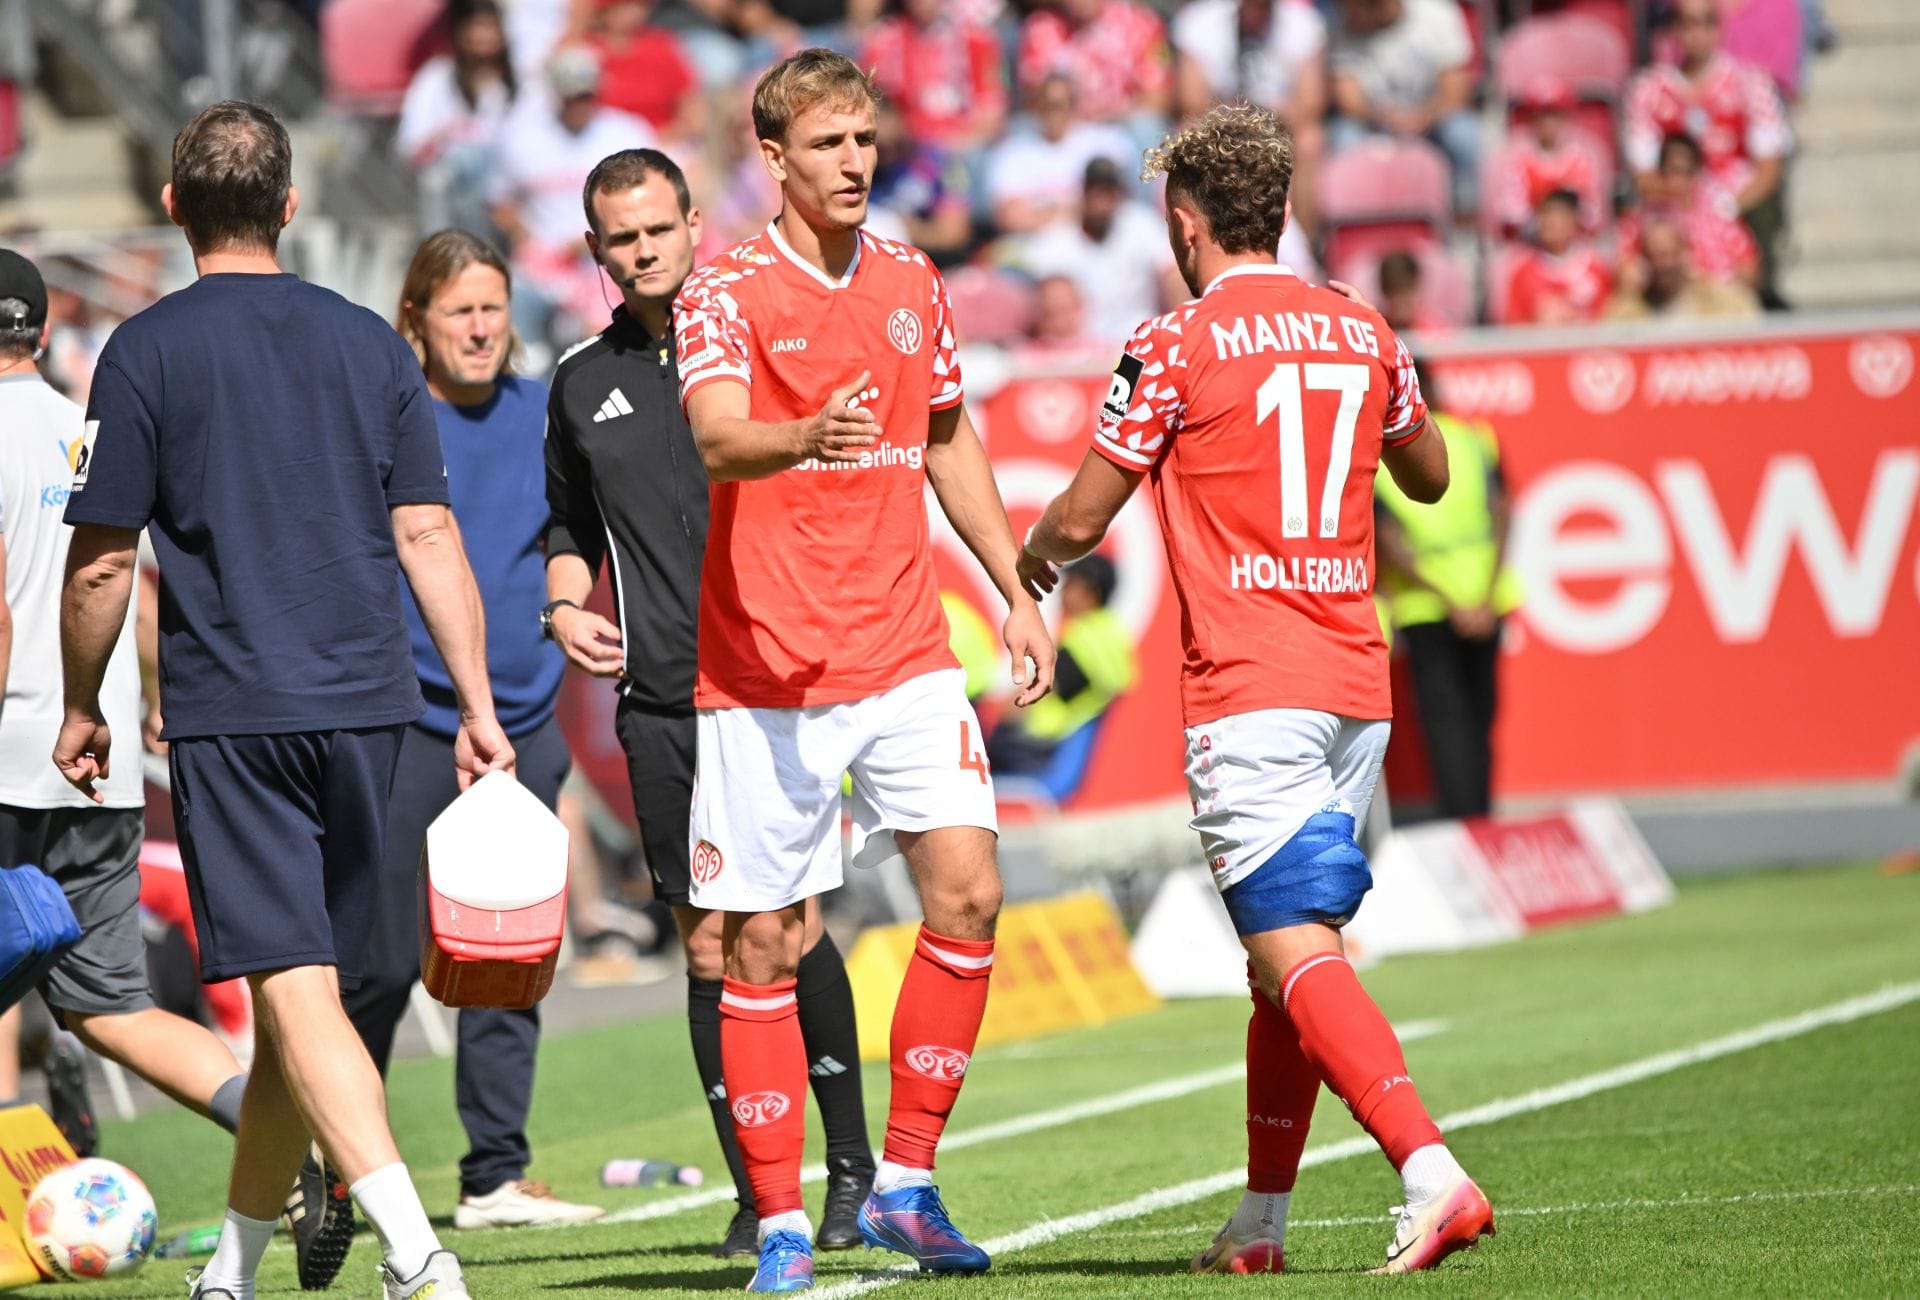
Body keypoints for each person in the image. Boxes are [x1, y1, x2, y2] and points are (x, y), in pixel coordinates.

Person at [1016, 103, 1492, 1276]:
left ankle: (1431, 1170)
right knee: (1282, 961)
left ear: (1185, 221)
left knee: (1290, 954)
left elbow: (1086, 513)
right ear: (1280, 209)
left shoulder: (1172, 341)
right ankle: (1262, 1225)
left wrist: (1026, 559)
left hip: (1252, 682)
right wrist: (1387, 389)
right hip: (1352, 682)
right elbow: (1426, 475)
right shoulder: (1359, 326)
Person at [58, 101, 513, 1300]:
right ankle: (234, 1268)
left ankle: (417, 1255)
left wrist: (82, 700)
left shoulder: (144, 351)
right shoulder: (370, 342)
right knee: (294, 988)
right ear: (292, 206)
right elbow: (428, 529)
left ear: (172, 209)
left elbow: (104, 562)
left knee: (293, 983)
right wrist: (476, 701)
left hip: (238, 712)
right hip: (372, 704)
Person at [672, 49, 1055, 1292]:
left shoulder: (910, 279)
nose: (855, 164)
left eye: (866, 141)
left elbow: (946, 433)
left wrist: (1015, 592)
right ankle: (782, 1224)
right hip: (767, 670)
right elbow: (719, 436)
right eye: (828, 145)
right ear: (774, 159)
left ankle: (907, 1184)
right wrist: (804, 435)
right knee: (764, 945)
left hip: (902, 653)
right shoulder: (723, 289)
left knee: (971, 893)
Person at [544, 146, 881, 1261]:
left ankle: (852, 1171)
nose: (642, 251)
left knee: (787, 929)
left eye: (657, 228)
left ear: (695, 222)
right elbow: (568, 526)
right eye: (619, 238)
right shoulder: (580, 380)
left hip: (776, 685)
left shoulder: (760, 341)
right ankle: (758, 1190)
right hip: (660, 700)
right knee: (704, 949)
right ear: (595, 249)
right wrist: (562, 601)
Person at [312, 229, 605, 1245]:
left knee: (506, 956)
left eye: (493, 307)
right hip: (406, 726)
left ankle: (496, 1173)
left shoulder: (544, 411)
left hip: (524, 726)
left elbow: (578, 537)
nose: (481, 327)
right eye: (458, 310)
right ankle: (344, 1168)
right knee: (380, 964)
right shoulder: (386, 418)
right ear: (415, 323)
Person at [0, 246, 250, 1153]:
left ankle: (8, 1196)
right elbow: (132, 585)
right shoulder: (88, 432)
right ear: (45, 330)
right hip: (92, 760)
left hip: (9, 749)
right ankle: (276, 1133)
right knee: (110, 1007)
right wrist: (152, 693)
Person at [1374, 366, 1519, 820]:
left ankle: (1464, 828)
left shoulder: (1381, 456)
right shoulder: (1474, 438)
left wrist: (1453, 602)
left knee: (1447, 728)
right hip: (1483, 599)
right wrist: (1483, 595)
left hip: (1430, 608)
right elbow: (1503, 512)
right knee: (1480, 723)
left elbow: (1388, 543)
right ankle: (1481, 822)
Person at [489, 46, 655, 351]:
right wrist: (525, 238)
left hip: (607, 257)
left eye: (585, 94)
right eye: (571, 95)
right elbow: (500, 202)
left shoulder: (626, 132)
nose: (579, 103)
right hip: (544, 260)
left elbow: (653, 199)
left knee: (601, 330)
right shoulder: (522, 137)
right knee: (513, 312)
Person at [1624, 0, 1790, 302]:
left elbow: (1770, 167)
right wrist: (1685, 199)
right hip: (1672, 200)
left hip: (1735, 202)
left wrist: (1725, 206)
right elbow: (1642, 173)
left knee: (1756, 228)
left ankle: (1762, 297)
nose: (1696, 33)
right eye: (1687, 24)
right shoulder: (1648, 89)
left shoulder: (1750, 83)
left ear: (1718, 28)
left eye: (1705, 23)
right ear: (1674, 30)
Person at [1171, 0, 1326, 227]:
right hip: (1219, 124)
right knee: (1187, 133)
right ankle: (1193, 237)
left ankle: (1303, 243)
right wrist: (1239, 115)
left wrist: (1266, 116)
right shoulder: (1197, 22)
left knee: (1310, 140)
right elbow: (1192, 103)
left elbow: (1310, 105)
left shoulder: (1304, 25)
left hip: (1279, 127)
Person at [987, 553, 1136, 779]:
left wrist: (1001, 717)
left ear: (1089, 591)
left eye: (1070, 584)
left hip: (1043, 749)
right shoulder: (1113, 636)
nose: (1062, 591)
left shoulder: (1088, 639)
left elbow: (1030, 696)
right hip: (1059, 751)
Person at [1329, 0, 1480, 216]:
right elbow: (1347, 97)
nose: (1346, 12)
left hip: (1433, 122)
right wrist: (1383, 116)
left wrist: (1422, 118)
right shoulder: (1344, 30)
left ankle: (1467, 227)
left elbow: (1455, 88)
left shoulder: (1437, 13)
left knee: (1463, 133)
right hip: (1375, 125)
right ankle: (1356, 227)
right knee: (1343, 137)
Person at [1016, 157, 1187, 348]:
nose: (1101, 201)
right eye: (1095, 192)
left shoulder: (1139, 224)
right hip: (1081, 351)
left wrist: (1180, 329)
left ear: (1119, 194)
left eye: (1108, 192)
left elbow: (1172, 274)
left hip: (1140, 343)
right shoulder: (1057, 239)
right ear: (1083, 194)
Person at [395, 0, 518, 237]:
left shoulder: (519, 83)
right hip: (454, 183)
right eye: (476, 26)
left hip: (507, 186)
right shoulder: (436, 77)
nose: (483, 35)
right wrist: (449, 135)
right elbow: (410, 145)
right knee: (451, 170)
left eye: (489, 26)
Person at [985, 73, 1137, 236]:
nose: (1052, 113)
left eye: (1058, 105)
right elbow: (1010, 218)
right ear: (1036, 107)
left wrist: (1045, 211)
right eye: (1046, 104)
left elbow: (1110, 202)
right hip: (1035, 245)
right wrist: (1076, 209)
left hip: (1092, 241)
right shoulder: (1013, 153)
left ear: (1073, 105)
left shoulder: (1104, 143)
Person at [1016, 0, 1173, 130]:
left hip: (1122, 128)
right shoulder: (1040, 28)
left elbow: (1156, 99)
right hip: (1065, 131)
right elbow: (1034, 100)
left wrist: (1110, 114)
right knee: (1023, 127)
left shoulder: (1143, 23)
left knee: (1146, 125)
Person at [1487, 76, 1605, 239]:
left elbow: (1593, 214)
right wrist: (1547, 224)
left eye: (1555, 115)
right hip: (1530, 243)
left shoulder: (1582, 157)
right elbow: (1511, 213)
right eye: (1541, 116)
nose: (1548, 123)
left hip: (1574, 243)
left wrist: (1563, 223)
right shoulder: (1516, 156)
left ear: (1565, 117)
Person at [1604, 216, 1760, 320]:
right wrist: (1627, 293)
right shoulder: (1631, 310)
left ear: (1684, 255)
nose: (1663, 264)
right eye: (1655, 255)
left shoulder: (1717, 301)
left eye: (1669, 254)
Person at [1499, 189, 1612, 326]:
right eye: (1545, 214)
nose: (1549, 221)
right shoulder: (1522, 271)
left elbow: (1609, 317)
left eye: (1558, 215)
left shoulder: (1596, 269)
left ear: (1574, 221)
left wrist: (1575, 318)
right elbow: (1512, 324)